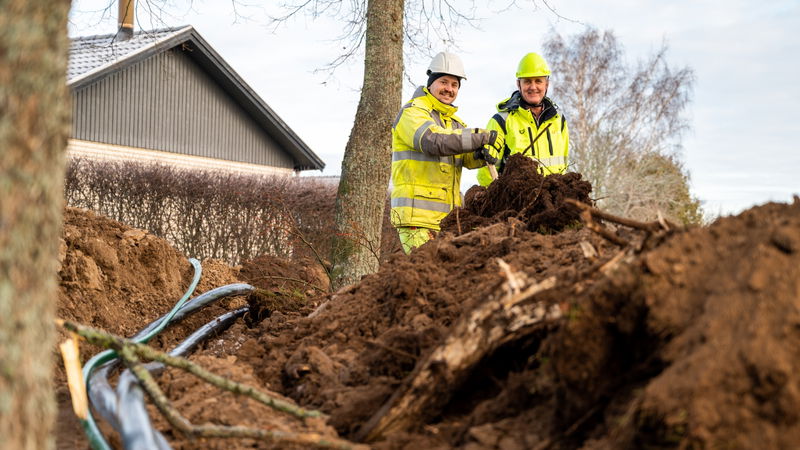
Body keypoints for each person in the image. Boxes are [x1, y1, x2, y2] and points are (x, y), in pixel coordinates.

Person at [390, 51, 502, 254]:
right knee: (424, 272)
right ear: (430, 82)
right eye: (444, 82)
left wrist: (481, 154)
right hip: (417, 219)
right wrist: (480, 137)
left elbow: (462, 155)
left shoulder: (454, 123)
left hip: (447, 221)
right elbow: (434, 141)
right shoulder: (412, 113)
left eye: (454, 85)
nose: (449, 89)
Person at [476, 52, 569, 186]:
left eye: (538, 81)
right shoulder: (501, 121)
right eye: (527, 81)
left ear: (546, 84)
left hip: (553, 200)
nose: (533, 87)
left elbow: (564, 164)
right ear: (518, 84)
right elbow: (486, 172)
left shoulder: (558, 120)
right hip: (518, 203)